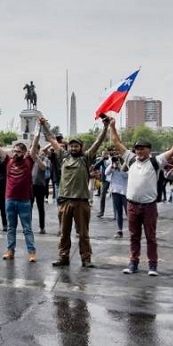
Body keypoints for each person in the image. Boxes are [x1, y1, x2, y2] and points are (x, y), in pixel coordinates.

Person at [109, 118, 173, 275]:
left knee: (151, 237)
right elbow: (116, 142)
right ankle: (133, 263)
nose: (139, 151)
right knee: (133, 236)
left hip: (149, 206)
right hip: (132, 206)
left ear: (149, 150)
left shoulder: (155, 162)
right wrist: (112, 126)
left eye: (142, 149)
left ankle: (152, 265)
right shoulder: (130, 160)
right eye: (137, 149)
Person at [40, 115, 109, 268]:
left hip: (81, 202)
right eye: (71, 146)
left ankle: (86, 259)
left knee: (83, 233)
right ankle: (63, 257)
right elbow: (52, 139)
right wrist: (44, 125)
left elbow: (98, 143)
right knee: (64, 233)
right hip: (65, 201)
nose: (73, 148)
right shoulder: (63, 156)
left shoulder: (86, 158)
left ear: (81, 147)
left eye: (76, 146)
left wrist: (105, 128)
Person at [0, 124, 43, 261]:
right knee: (11, 228)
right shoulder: (8, 161)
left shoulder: (29, 161)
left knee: (27, 229)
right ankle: (10, 251)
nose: (15, 153)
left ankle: (32, 252)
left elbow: (35, 142)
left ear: (24, 153)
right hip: (10, 200)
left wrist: (39, 127)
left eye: (18, 151)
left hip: (24, 201)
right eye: (14, 151)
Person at [105, 154, 128, 239]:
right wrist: (112, 165)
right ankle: (119, 230)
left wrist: (119, 168)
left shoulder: (126, 165)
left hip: (125, 192)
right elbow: (106, 173)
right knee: (118, 212)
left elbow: (126, 175)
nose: (116, 161)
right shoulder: (112, 166)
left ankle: (134, 230)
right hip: (115, 191)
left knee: (128, 212)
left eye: (118, 159)